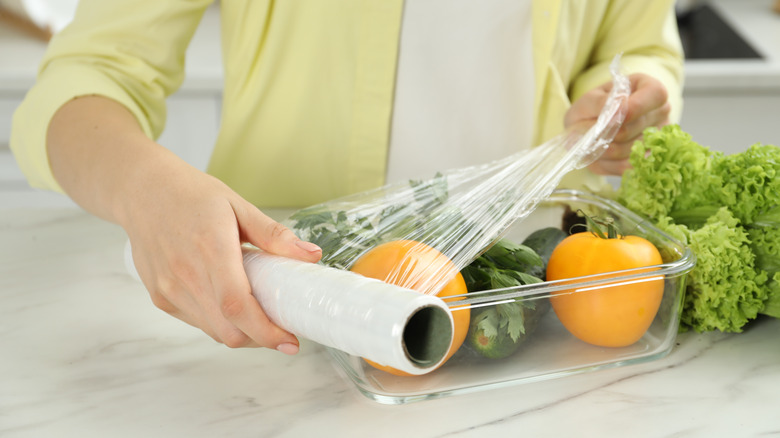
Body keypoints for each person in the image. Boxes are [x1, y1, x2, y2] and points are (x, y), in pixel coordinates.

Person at [10, 0, 684, 355]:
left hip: (530, 307)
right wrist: (144, 189)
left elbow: (641, 43)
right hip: (287, 307)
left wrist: (631, 96)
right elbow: (86, 79)